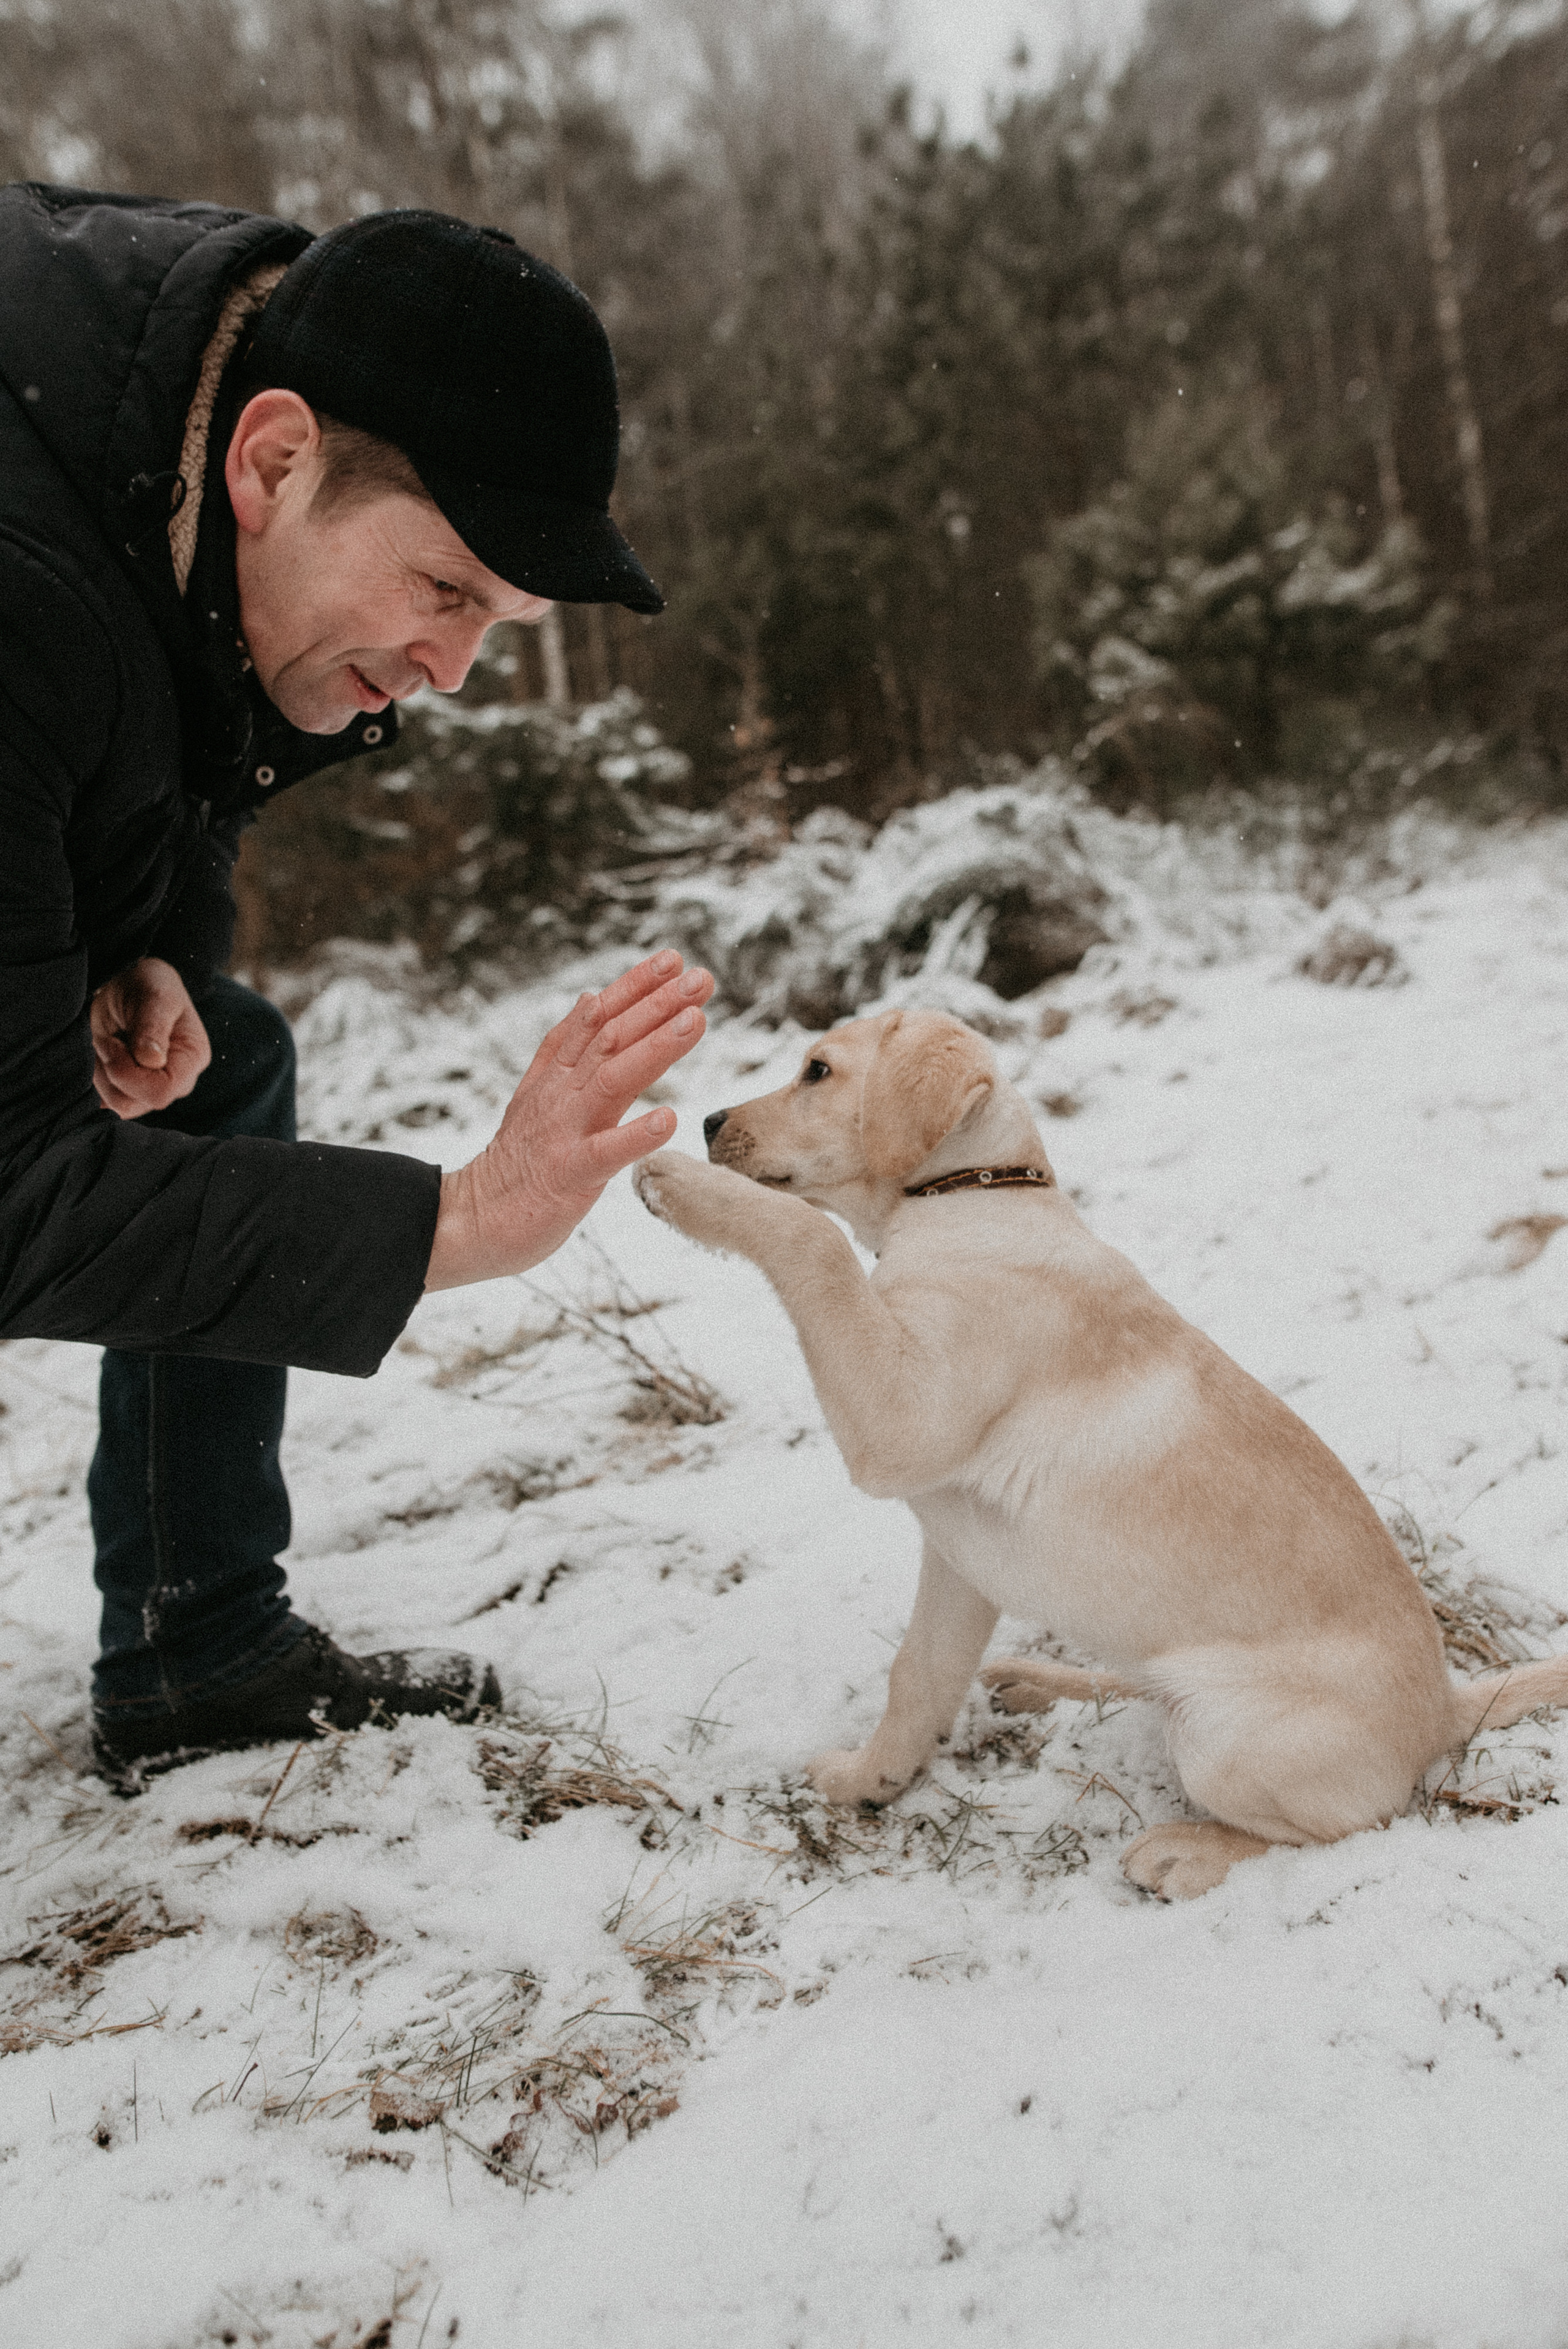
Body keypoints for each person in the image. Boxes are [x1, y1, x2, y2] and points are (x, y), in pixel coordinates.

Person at [0, 184, 714, 1785]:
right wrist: (463, 1215)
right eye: (448, 591)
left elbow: (208, 737)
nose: (455, 673)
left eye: (498, 626)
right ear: (271, 460)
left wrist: (162, 940)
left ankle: (200, 1643)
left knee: (217, 1059)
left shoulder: (201, 412)